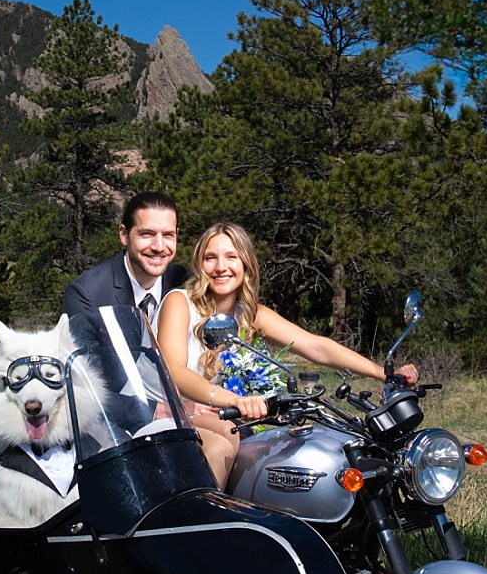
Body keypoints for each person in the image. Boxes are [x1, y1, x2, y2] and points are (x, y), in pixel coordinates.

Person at [156, 220, 416, 485]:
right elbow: (174, 372)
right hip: (171, 414)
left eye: (231, 257)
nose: (221, 267)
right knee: (224, 442)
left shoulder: (249, 314)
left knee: (291, 448)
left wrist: (382, 373)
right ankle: (207, 522)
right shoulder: (181, 302)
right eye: (211, 258)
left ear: (246, 263)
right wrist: (232, 399)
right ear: (200, 265)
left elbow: (316, 346)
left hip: (222, 416)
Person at [62, 191, 190, 345]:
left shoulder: (186, 282)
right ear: (124, 235)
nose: (159, 246)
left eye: (168, 235)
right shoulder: (87, 295)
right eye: (147, 234)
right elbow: (87, 366)